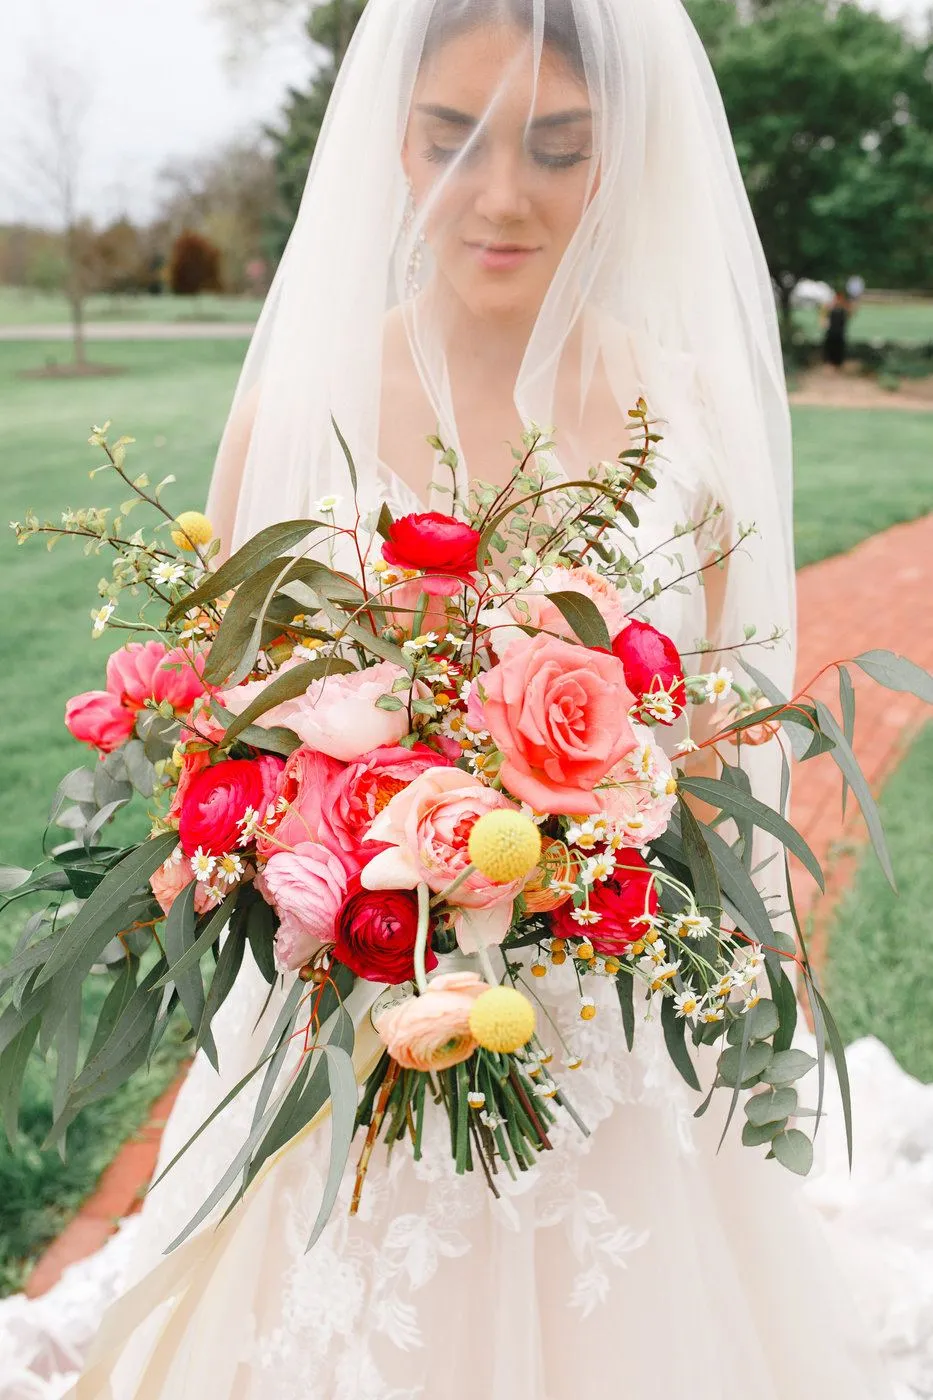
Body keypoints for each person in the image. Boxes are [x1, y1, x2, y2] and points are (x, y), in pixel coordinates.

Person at [2, 2, 931, 1396]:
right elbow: (232, 743)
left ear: (621, 157)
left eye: (557, 148)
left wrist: (576, 856)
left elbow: (711, 751)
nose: (500, 197)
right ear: (392, 134)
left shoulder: (685, 422)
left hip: (607, 1014)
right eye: (454, 138)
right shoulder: (291, 408)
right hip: (348, 1021)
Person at [822, 288, 852, 369]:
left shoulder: (843, 308)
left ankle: (838, 364)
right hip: (831, 331)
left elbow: (850, 313)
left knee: (839, 348)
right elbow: (824, 315)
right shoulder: (831, 308)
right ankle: (830, 363)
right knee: (830, 347)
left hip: (840, 332)